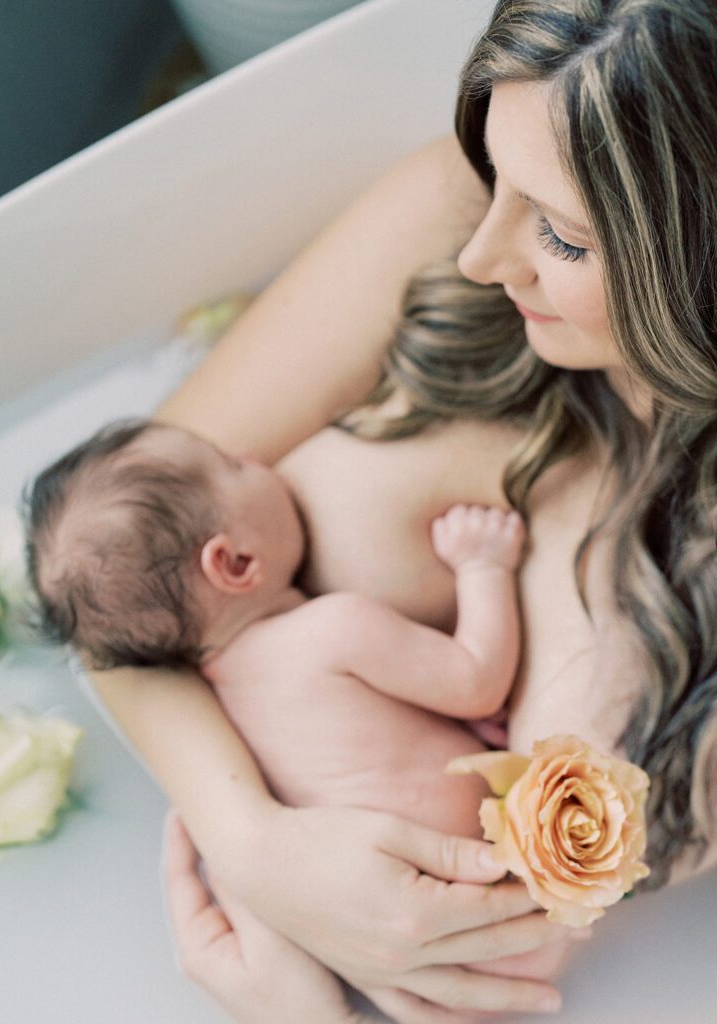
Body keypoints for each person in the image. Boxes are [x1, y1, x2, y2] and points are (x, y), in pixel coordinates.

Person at [85, 0, 717, 1020]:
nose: (482, 252)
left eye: (557, 231)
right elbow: (102, 577)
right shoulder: (441, 223)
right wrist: (253, 843)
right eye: (493, 174)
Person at [26, 417, 528, 835]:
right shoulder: (335, 627)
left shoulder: (229, 701)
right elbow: (478, 683)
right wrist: (483, 567)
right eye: (230, 464)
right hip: (487, 852)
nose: (249, 454)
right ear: (237, 563)